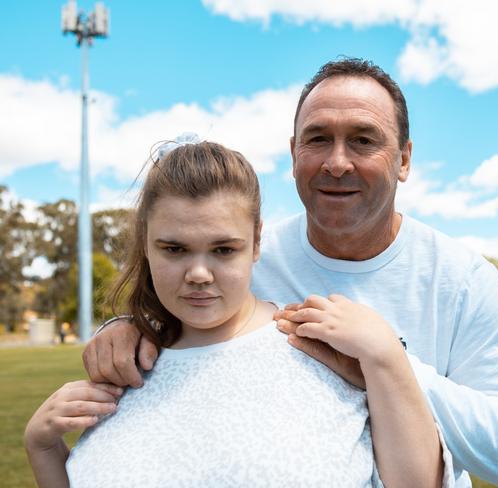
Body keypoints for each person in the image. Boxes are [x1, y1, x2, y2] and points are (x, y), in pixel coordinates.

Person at [83, 58, 498, 487]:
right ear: (293, 155)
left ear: (405, 160)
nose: (336, 162)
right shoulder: (242, 256)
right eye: (318, 139)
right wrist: (129, 329)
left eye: (363, 140)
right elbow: (184, 318)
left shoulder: (461, 280)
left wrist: (388, 364)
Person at [24, 138, 446, 487]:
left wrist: (386, 356)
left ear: (257, 242)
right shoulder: (125, 367)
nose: (199, 274)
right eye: (174, 249)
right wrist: (43, 450)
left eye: (224, 249)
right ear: (146, 244)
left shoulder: (324, 346)